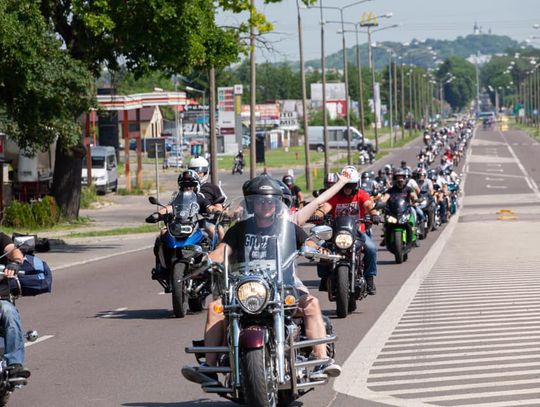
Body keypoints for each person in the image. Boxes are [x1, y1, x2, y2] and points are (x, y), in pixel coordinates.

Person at [182, 175, 341, 385]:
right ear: (252, 204)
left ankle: (322, 360)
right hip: (245, 289)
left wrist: (317, 250)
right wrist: (205, 260)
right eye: (260, 200)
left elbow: (308, 243)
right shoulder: (239, 229)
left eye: (269, 201)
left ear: (276, 204)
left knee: (312, 304)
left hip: (284, 288)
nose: (265, 204)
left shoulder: (288, 228)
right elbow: (223, 250)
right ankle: (210, 369)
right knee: (215, 309)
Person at [317, 166, 380, 295]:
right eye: (345, 184)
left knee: (371, 249)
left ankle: (369, 278)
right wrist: (317, 214)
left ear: (356, 184)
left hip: (357, 233)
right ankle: (324, 278)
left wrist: (374, 214)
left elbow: (368, 204)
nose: (347, 188)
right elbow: (325, 207)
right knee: (321, 249)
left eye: (351, 185)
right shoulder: (334, 196)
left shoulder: (361, 194)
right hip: (337, 233)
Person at [0, 233, 30, 379]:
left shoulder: (0, 238)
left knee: (8, 312)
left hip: (0, 299)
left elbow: (13, 250)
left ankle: (14, 364)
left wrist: (16, 262)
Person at [188, 157, 227, 241]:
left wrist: (216, 210)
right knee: (165, 231)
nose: (196, 175)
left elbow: (219, 206)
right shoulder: (186, 187)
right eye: (194, 172)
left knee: (215, 230)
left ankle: (221, 251)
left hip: (208, 218)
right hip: (188, 219)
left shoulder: (212, 187)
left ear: (205, 172)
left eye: (199, 172)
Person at [381, 168, 419, 246]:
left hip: (405, 210)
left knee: (414, 216)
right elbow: (385, 198)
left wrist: (415, 200)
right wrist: (381, 203)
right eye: (398, 177)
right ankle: (386, 237)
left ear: (405, 178)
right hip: (393, 212)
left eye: (401, 177)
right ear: (395, 178)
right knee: (386, 222)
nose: (400, 179)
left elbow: (413, 195)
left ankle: (414, 235)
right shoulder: (391, 190)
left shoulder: (408, 189)